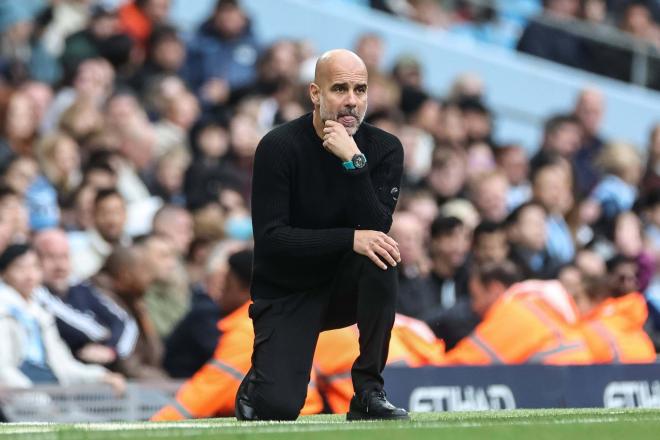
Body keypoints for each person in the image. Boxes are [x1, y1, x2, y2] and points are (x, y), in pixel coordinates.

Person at [235, 49, 407, 421]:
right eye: (340, 89)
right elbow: (272, 240)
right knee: (276, 408)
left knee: (381, 256)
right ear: (315, 94)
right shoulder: (278, 146)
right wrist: (348, 239)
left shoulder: (383, 149)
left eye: (360, 90)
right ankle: (258, 384)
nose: (351, 101)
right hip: (286, 289)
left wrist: (354, 161)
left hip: (344, 285)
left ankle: (368, 391)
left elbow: (377, 227)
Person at [152, 249, 323, 420]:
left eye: (226, 282)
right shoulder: (271, 319)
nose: (220, 290)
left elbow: (208, 389)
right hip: (298, 415)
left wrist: (155, 424)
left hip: (285, 420)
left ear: (241, 287)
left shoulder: (248, 331)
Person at [0, 244, 125, 392]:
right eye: (20, 268)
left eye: (35, 267)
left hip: (50, 391)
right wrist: (33, 397)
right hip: (20, 399)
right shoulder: (4, 311)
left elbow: (63, 365)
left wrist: (101, 376)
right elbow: (4, 371)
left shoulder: (41, 314)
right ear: (4, 273)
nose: (29, 275)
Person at [446, 260, 593, 365]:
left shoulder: (514, 313)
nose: (474, 307)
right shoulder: (542, 306)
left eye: (475, 296)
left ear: (495, 290)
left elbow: (464, 363)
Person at [33, 228, 139, 366]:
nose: (60, 266)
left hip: (111, 364)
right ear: (35, 261)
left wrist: (112, 349)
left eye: (64, 256)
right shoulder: (35, 295)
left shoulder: (80, 286)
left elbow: (125, 321)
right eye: (51, 257)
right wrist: (108, 338)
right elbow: (87, 331)